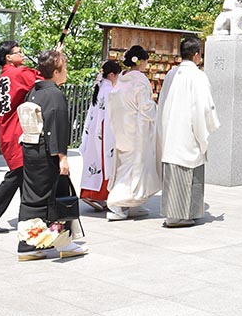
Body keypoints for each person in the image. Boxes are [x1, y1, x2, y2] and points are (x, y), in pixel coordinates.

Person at [17, 48, 86, 262]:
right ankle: (60, 242)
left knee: (32, 199)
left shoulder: (35, 90)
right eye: (64, 68)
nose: (66, 72)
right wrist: (62, 156)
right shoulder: (55, 94)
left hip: (31, 148)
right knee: (54, 198)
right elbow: (56, 126)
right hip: (47, 152)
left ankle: (28, 243)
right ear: (56, 72)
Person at [0, 40, 39, 234]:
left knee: (22, 175)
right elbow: (45, 75)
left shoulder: (1, 80)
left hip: (7, 132)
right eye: (19, 52)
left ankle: (27, 218)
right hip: (18, 132)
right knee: (17, 176)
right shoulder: (17, 73)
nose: (23, 55)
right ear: (8, 57)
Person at [158, 36, 219, 228]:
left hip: (171, 131)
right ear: (196, 55)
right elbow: (204, 107)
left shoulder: (171, 74)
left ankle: (177, 213)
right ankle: (179, 215)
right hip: (188, 131)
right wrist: (209, 127)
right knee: (187, 175)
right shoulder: (198, 76)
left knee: (175, 174)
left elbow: (161, 104)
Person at [105, 45, 161, 221]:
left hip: (122, 128)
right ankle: (116, 202)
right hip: (137, 130)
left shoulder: (121, 79)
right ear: (141, 61)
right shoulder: (139, 80)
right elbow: (145, 106)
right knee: (135, 167)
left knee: (127, 165)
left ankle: (134, 203)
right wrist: (157, 112)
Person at [79, 60, 122, 211]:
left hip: (94, 129)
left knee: (96, 161)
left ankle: (92, 193)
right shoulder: (109, 89)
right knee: (105, 162)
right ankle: (97, 195)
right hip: (105, 130)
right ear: (111, 75)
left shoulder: (100, 87)